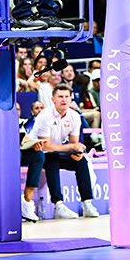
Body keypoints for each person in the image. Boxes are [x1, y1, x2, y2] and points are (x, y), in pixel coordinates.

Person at [21, 84, 99, 219]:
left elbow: (73, 143)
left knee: (81, 161)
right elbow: (46, 147)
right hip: (36, 151)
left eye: (67, 97)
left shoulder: (75, 116)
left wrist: (77, 152)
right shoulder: (45, 115)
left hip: (56, 150)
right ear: (53, 99)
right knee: (52, 159)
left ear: (71, 99)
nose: (64, 99)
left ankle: (87, 204)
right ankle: (58, 205)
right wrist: (71, 148)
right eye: (60, 97)